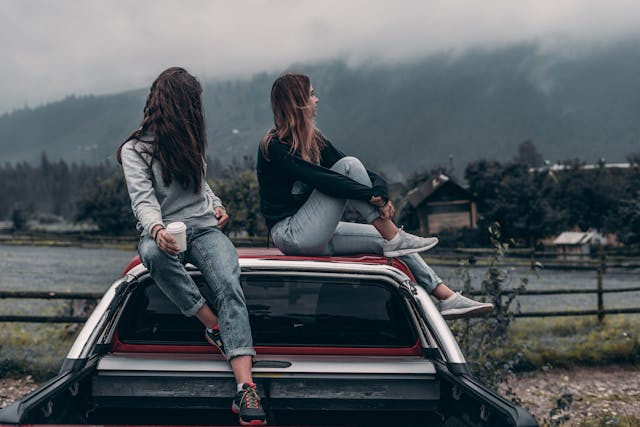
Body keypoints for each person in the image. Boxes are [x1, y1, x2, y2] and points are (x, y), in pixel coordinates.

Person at [257, 73, 493, 319]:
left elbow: (356, 171)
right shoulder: (274, 146)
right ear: (299, 102)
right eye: (312, 94)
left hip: (316, 232)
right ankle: (393, 235)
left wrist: (380, 190)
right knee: (349, 167)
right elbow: (324, 180)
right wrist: (370, 196)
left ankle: (447, 297)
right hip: (291, 234)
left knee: (388, 243)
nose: (318, 100)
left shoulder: (313, 139)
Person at [117, 67, 266, 426]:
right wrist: (155, 229)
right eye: (193, 102)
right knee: (150, 255)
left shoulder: (191, 140)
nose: (197, 109)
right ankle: (212, 324)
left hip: (205, 229)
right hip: (164, 233)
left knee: (229, 283)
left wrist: (217, 204)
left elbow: (201, 185)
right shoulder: (135, 150)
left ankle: (245, 387)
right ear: (178, 105)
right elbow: (143, 200)